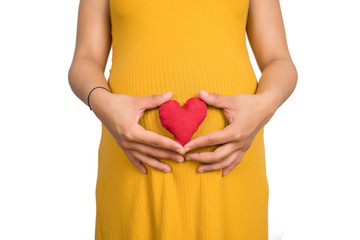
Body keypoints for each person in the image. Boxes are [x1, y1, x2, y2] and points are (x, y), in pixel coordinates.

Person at [68, 0, 298, 239]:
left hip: (231, 164)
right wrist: (100, 101)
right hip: (134, 163)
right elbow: (85, 60)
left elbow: (278, 60)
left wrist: (265, 104)